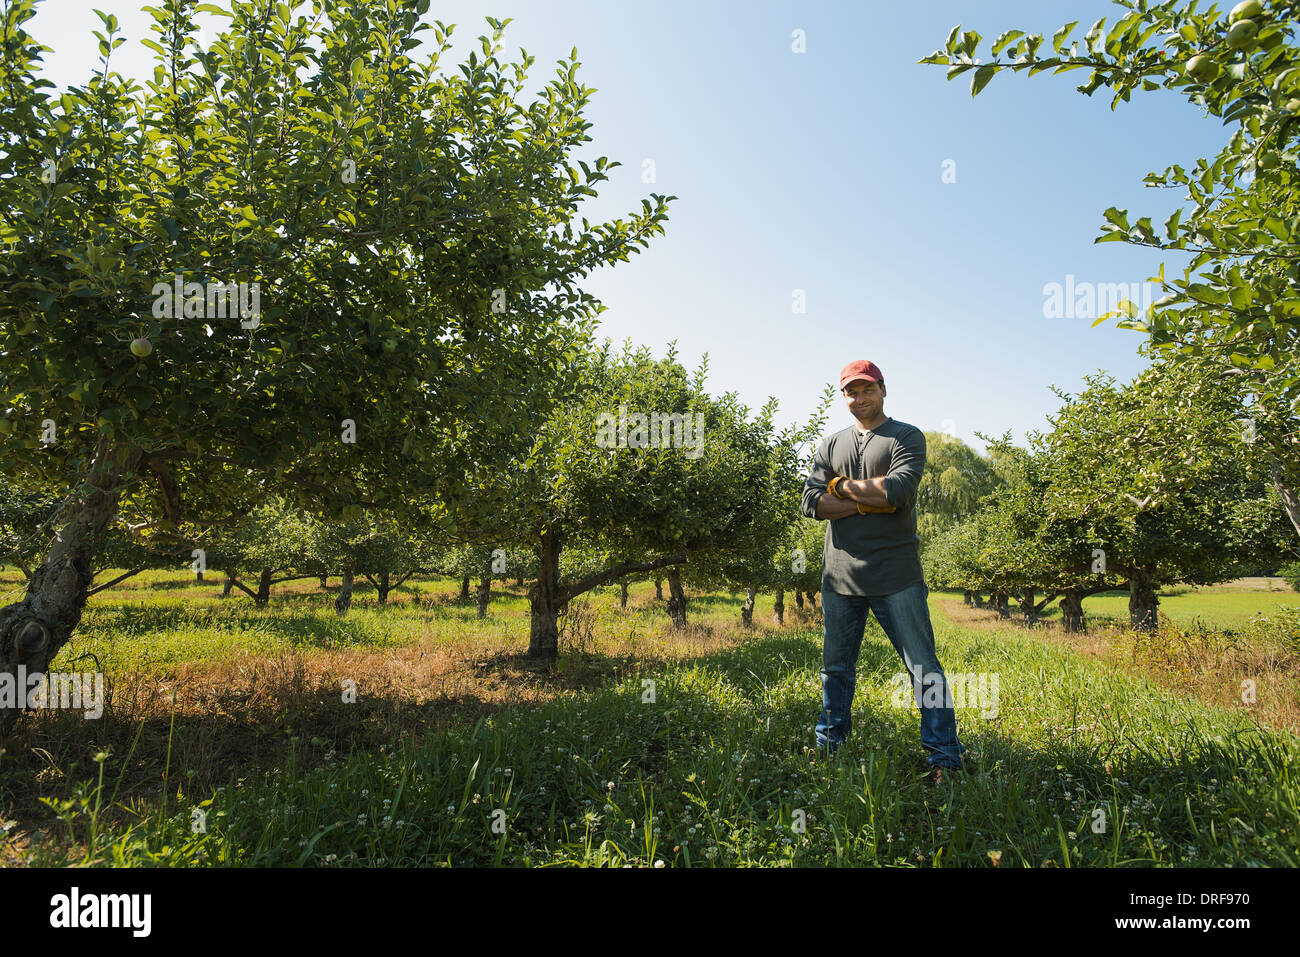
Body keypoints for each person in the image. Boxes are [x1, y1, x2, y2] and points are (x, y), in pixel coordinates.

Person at [800, 359, 966, 781]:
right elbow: (811, 505)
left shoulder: (906, 437)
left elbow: (897, 491)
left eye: (866, 390)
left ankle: (944, 757)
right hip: (839, 578)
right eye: (851, 392)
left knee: (923, 668)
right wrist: (862, 500)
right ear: (844, 397)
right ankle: (829, 747)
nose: (859, 399)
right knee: (835, 670)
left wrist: (838, 487)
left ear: (883, 389)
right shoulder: (830, 445)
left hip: (896, 576)